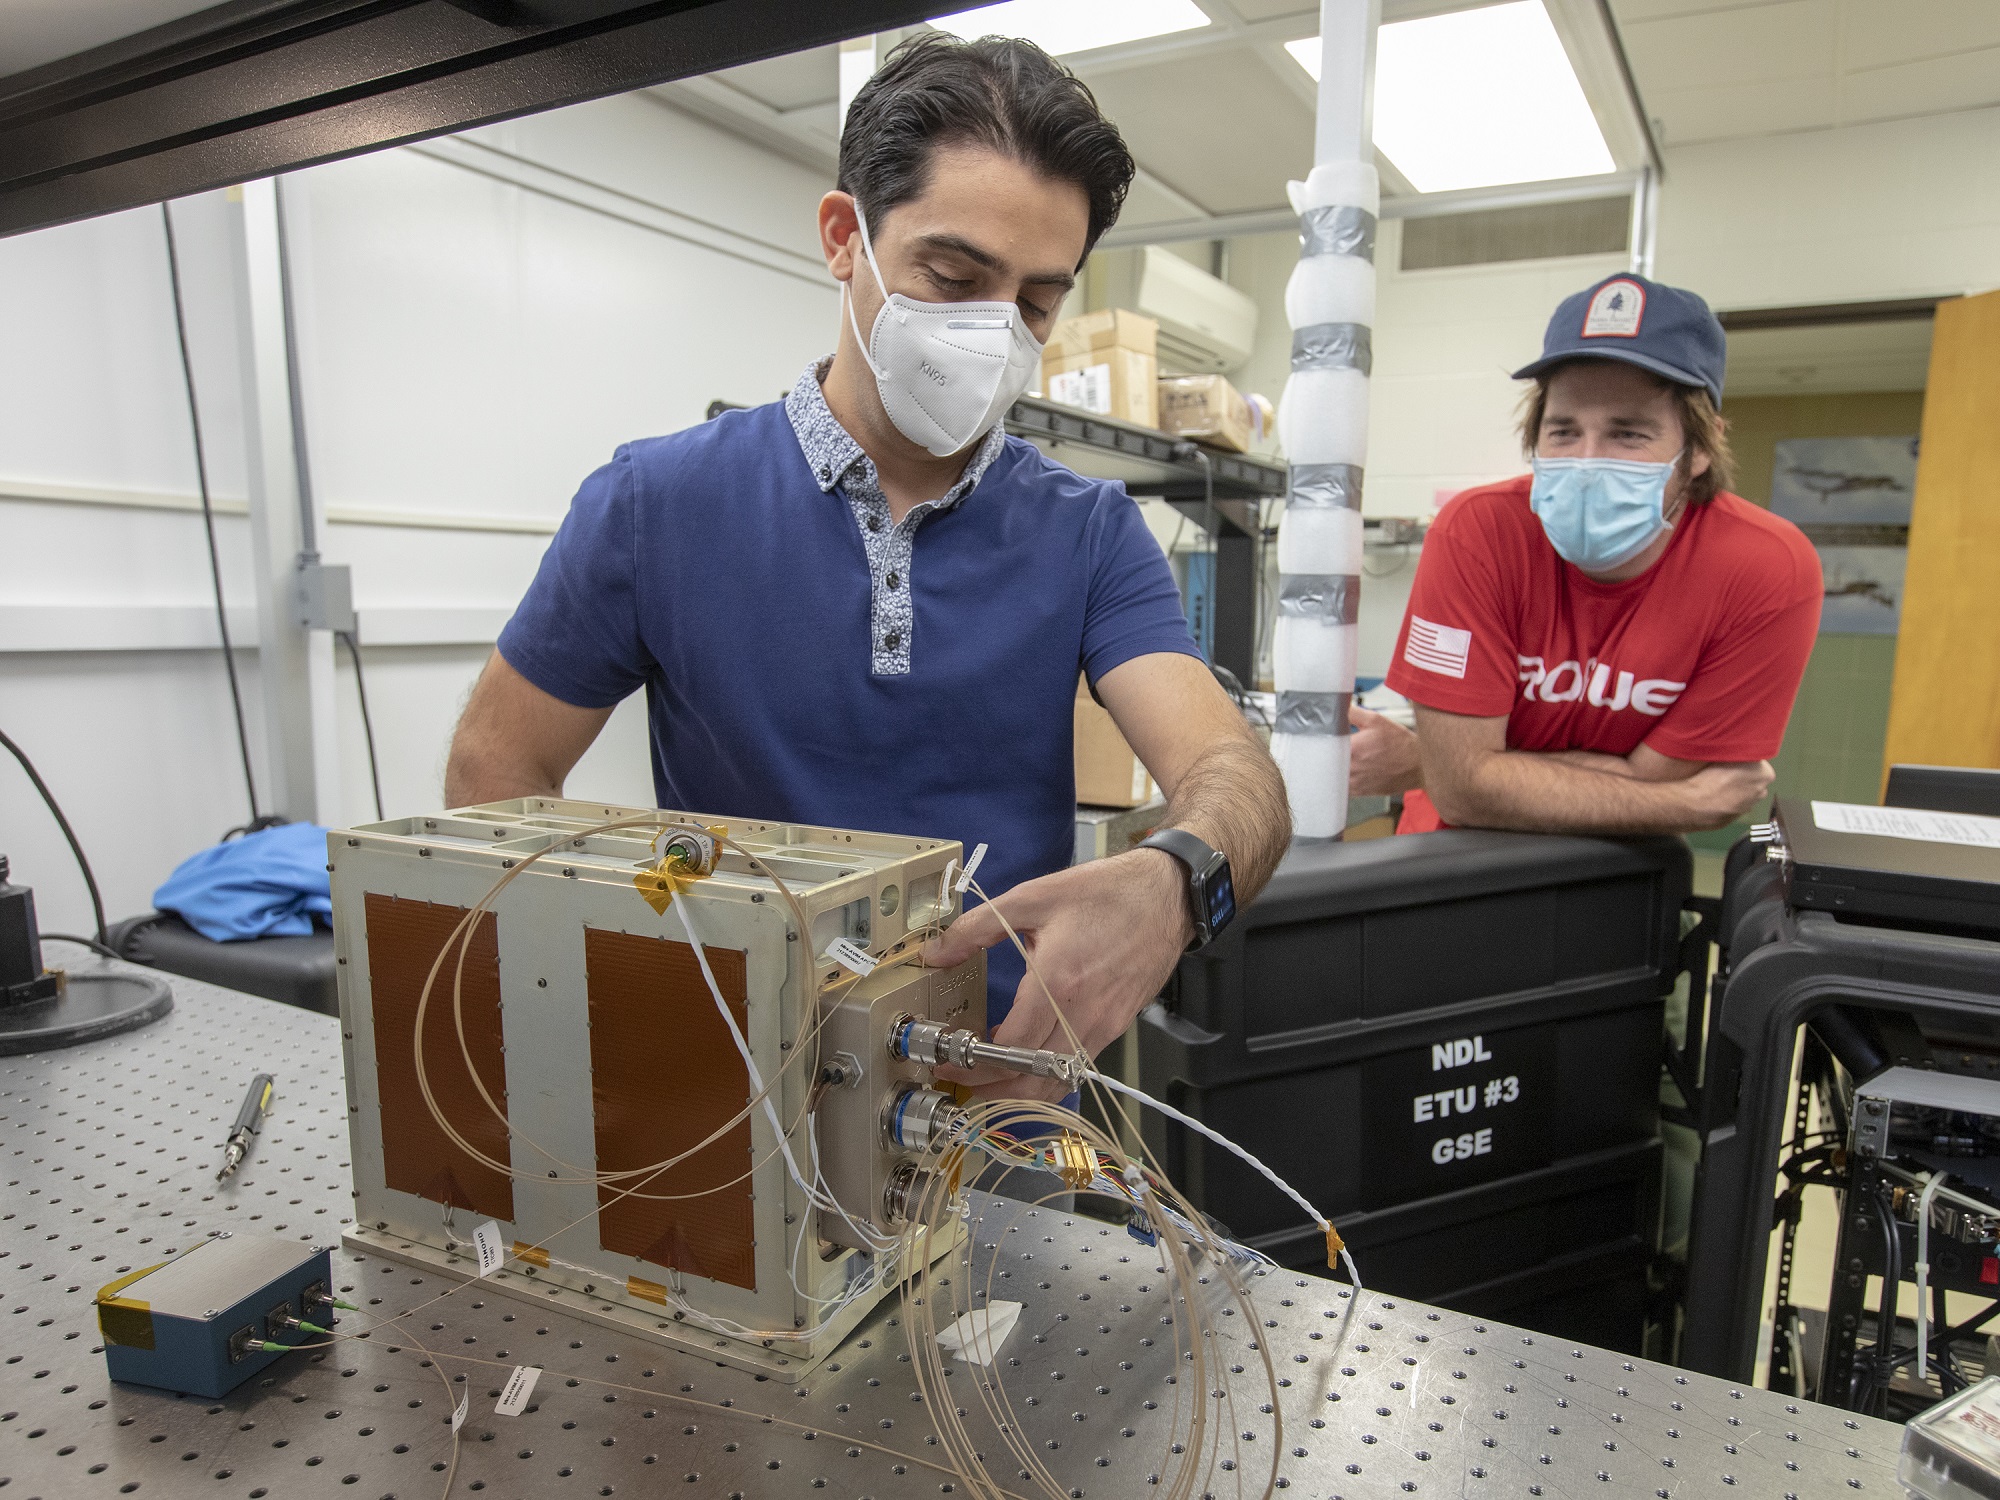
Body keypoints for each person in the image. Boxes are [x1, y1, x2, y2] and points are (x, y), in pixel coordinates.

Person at [444, 34, 1290, 1099]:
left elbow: (1235, 778)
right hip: (731, 1111)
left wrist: (1175, 884)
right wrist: (610, 994)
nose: (991, 331)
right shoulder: (655, 506)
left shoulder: (1087, 532)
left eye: (1033, 302)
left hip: (990, 1107)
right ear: (844, 237)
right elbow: (494, 774)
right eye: (950, 275)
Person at [1349, 272, 1821, 834]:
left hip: (1618, 872)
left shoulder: (1767, 567)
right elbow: (1463, 794)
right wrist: (1687, 805)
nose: (1588, 462)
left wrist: (1444, 766)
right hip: (1452, 860)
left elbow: (1477, 780)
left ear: (1698, 450)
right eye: (1564, 431)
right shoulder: (1477, 531)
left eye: (1629, 434)